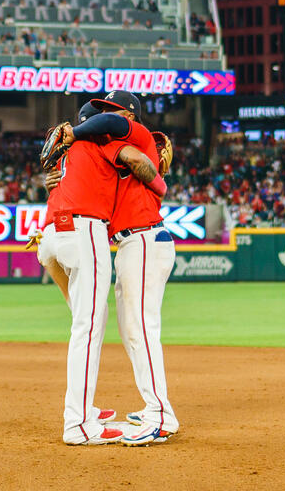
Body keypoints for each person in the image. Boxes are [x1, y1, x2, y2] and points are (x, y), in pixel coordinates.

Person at [36, 105, 166, 445]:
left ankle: (85, 411)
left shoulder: (66, 151)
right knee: (88, 327)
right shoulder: (102, 142)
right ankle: (78, 422)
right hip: (83, 230)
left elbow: (52, 173)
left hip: (49, 236)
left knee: (86, 320)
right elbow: (141, 164)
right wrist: (160, 184)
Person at [74, 90, 179, 445]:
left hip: (146, 238)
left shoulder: (136, 133)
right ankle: (154, 408)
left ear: (129, 116)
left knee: (141, 327)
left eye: (114, 111)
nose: (106, 117)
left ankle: (160, 414)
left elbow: (114, 129)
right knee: (131, 327)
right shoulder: (110, 155)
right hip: (132, 242)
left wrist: (75, 132)